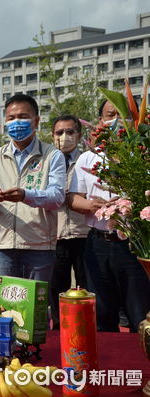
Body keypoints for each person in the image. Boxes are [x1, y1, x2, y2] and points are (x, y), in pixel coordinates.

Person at [68, 100, 150, 332]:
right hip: (98, 243)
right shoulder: (88, 158)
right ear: (101, 122)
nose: (115, 121)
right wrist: (91, 205)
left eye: (120, 115)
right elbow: (73, 198)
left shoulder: (142, 155)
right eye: (109, 115)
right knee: (102, 314)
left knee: (139, 312)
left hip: (135, 245)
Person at [0, 94, 66, 282]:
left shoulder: (52, 155)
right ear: (5, 122)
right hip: (4, 245)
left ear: (36, 121)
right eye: (11, 118)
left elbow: (57, 197)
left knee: (36, 304)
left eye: (23, 117)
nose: (17, 122)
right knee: (8, 305)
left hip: (40, 245)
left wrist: (26, 195)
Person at [49, 115, 89, 329]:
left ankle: (85, 328)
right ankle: (59, 327)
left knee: (86, 285)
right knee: (57, 286)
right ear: (52, 136)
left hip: (83, 233)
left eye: (70, 132)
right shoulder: (46, 162)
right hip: (56, 234)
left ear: (79, 135)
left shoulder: (88, 160)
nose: (65, 137)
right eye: (59, 133)